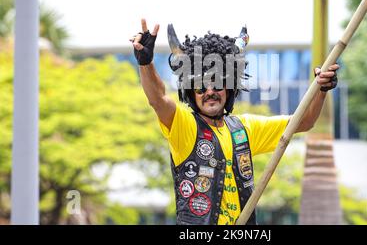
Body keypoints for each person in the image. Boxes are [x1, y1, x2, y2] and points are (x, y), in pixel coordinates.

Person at [130, 19, 339, 225]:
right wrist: (145, 62)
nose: (210, 92)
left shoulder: (245, 129)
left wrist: (321, 90)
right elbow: (157, 99)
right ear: (191, 93)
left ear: (229, 89)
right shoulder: (184, 127)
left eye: (218, 83)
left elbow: (305, 121)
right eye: (201, 87)